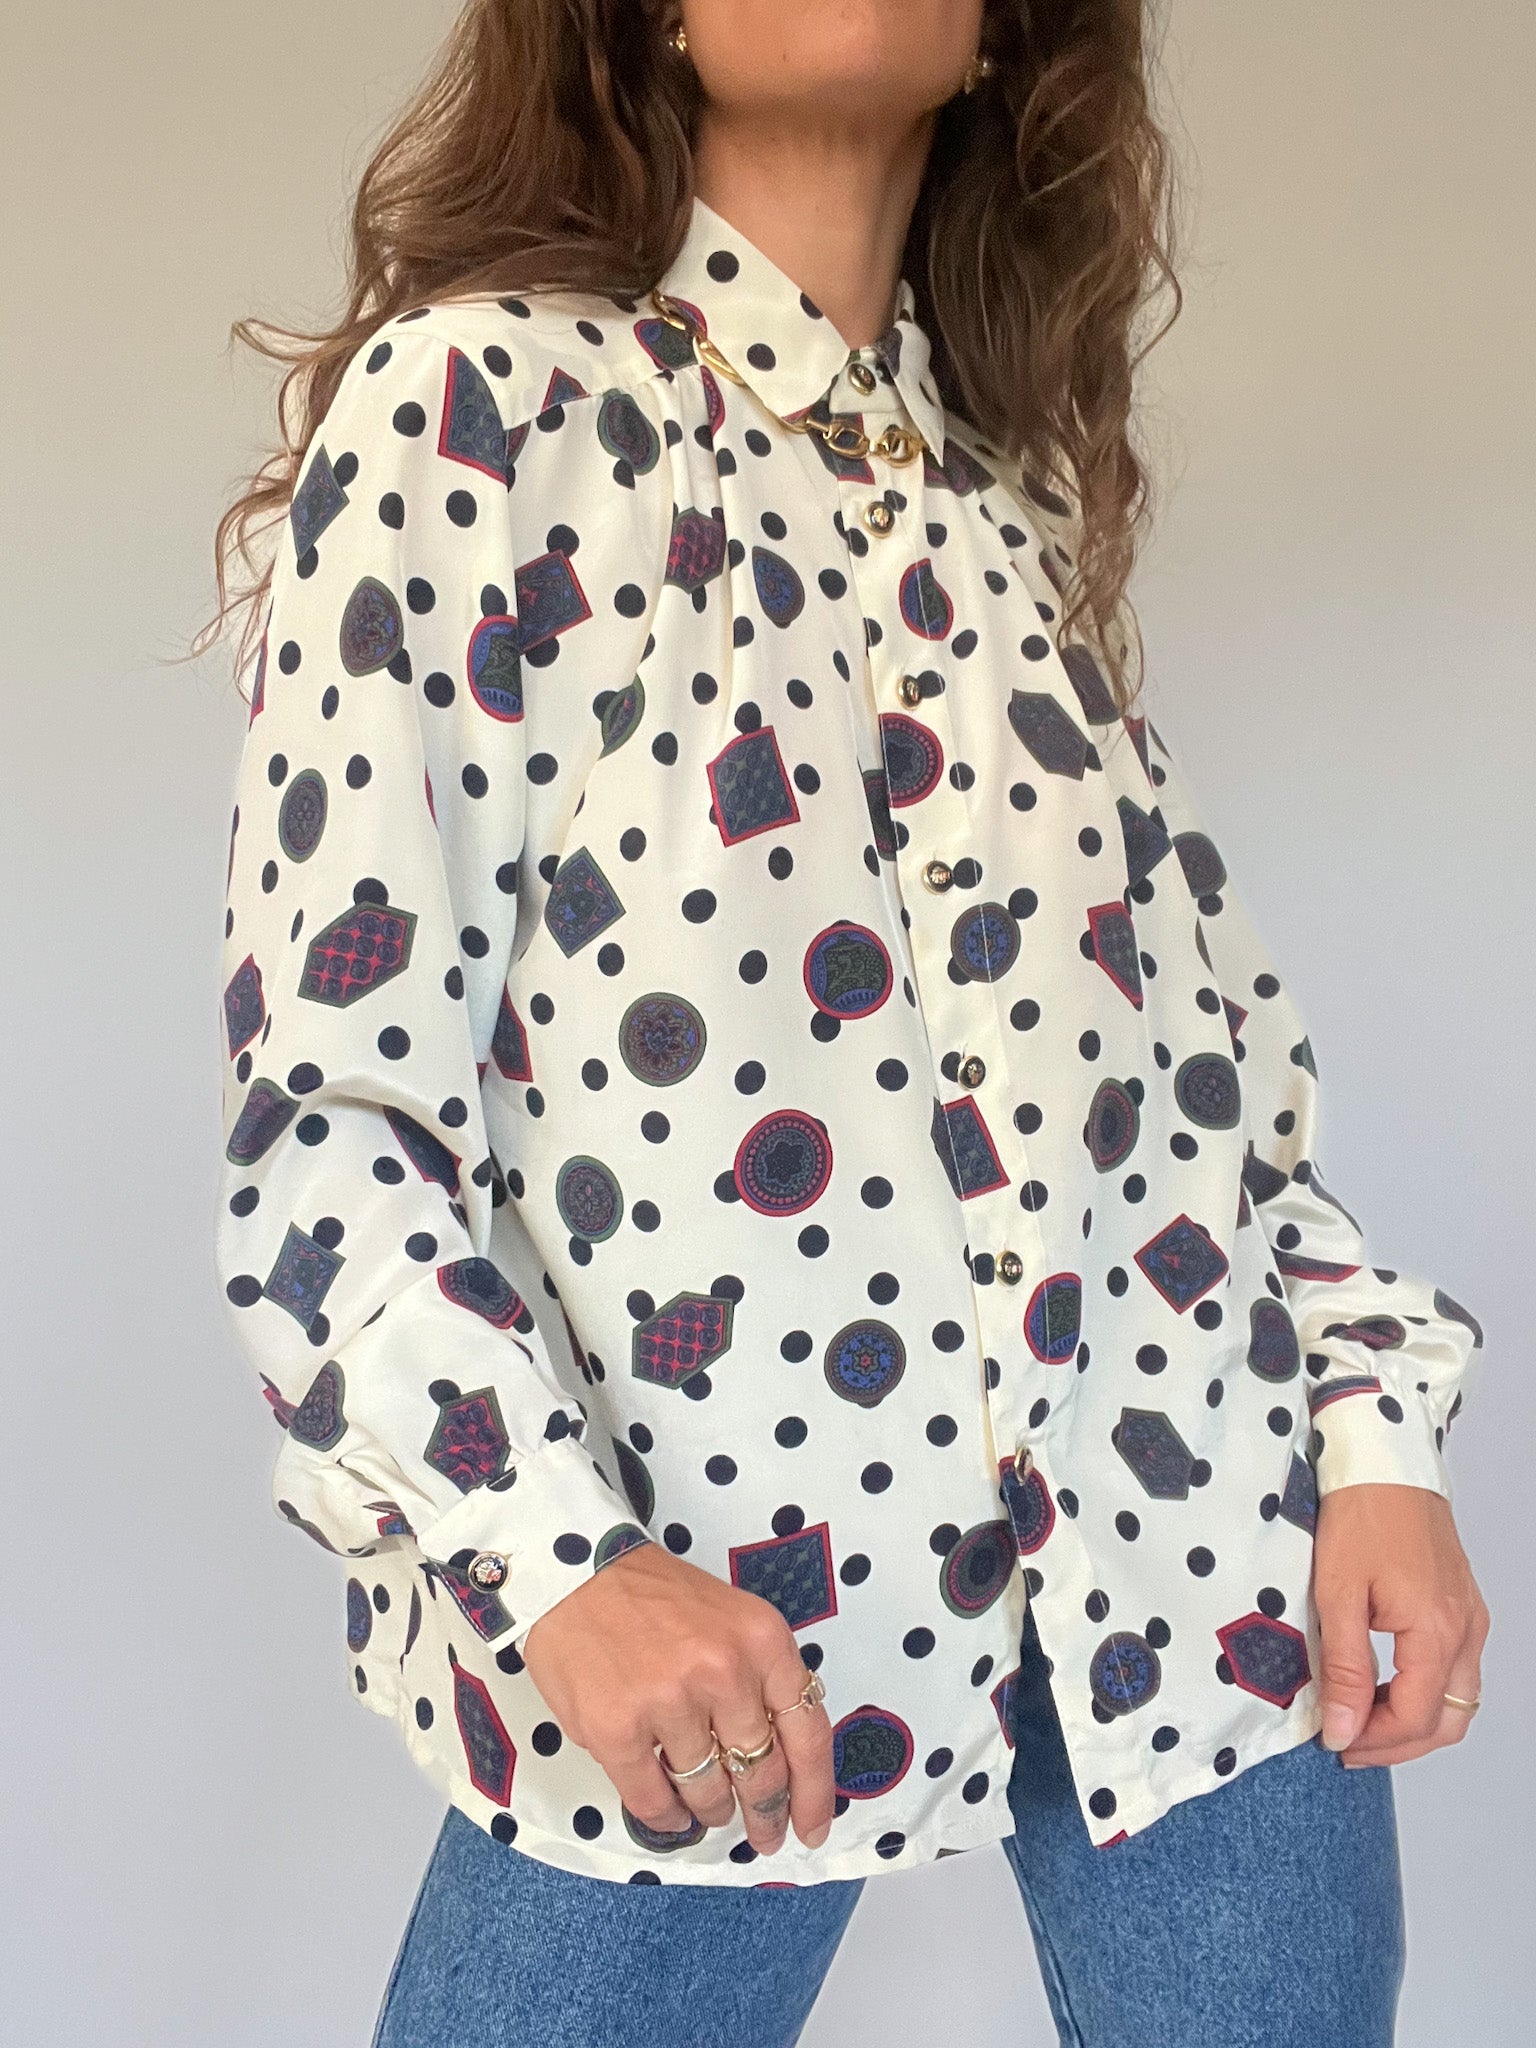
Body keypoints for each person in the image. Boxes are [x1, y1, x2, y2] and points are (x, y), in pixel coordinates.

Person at [206, 4, 1490, 2043]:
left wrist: (1374, 1438)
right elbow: (334, 1119)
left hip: (1205, 1567)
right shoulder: (478, 410)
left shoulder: (998, 508)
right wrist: (557, 1565)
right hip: (707, 1604)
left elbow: (1209, 1094)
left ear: (1000, 37)